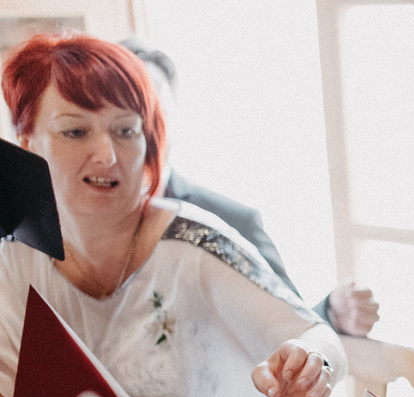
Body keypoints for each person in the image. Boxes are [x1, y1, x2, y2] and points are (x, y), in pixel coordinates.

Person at [0, 32, 348, 397]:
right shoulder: (15, 260)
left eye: (125, 131)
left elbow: (320, 336)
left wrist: (310, 363)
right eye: (75, 132)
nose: (107, 156)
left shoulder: (192, 243)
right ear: (26, 143)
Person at [120, 37, 379, 337]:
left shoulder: (232, 220)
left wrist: (332, 312)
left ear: (174, 117)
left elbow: (295, 325)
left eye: (153, 110)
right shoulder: (74, 223)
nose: (140, 128)